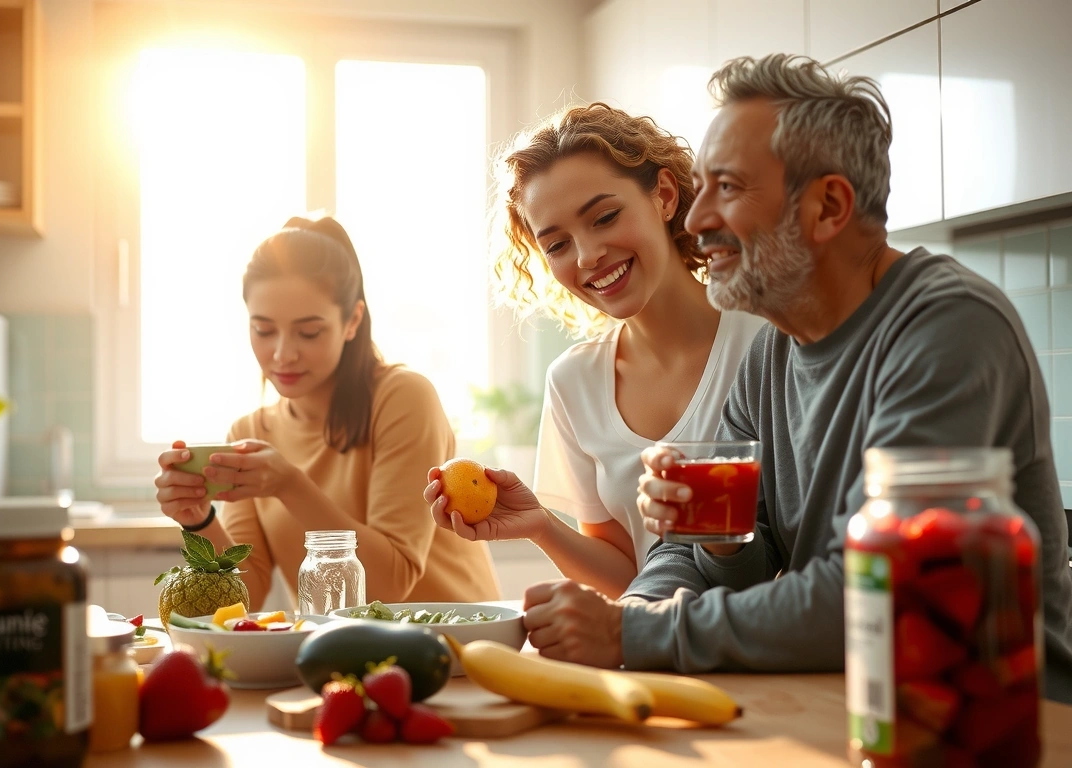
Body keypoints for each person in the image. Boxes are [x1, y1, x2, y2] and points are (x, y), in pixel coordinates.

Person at [516, 55, 1072, 702]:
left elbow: (874, 592)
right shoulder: (772, 355)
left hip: (996, 727)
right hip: (859, 708)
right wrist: (650, 604)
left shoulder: (947, 328)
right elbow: (696, 553)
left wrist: (630, 635)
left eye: (726, 188)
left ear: (828, 206)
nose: (694, 221)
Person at [423, 103, 765, 606]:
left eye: (604, 217)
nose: (587, 256)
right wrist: (540, 526)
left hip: (769, 656)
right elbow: (631, 577)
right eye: (557, 245)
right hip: (651, 658)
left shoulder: (769, 342)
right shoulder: (574, 382)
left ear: (665, 196)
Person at [154, 215, 501, 607]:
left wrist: (288, 484)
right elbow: (245, 594)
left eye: (309, 332)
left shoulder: (404, 399)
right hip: (338, 655)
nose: (283, 354)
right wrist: (198, 519)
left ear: (352, 320)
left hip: (455, 649)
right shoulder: (250, 432)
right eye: (264, 330)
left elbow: (389, 585)